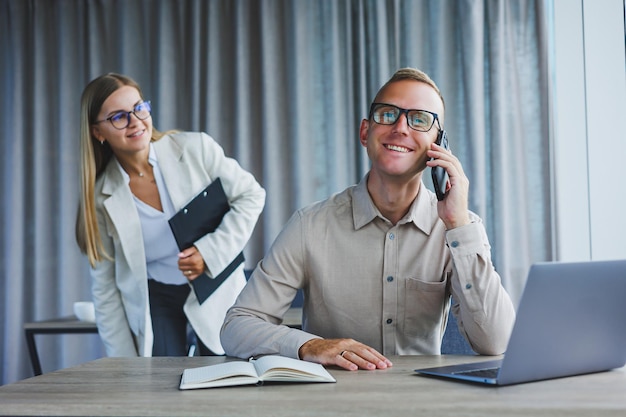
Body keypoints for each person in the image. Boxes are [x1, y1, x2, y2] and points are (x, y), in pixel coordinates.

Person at [220, 67, 515, 371]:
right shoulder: (310, 225)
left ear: (438, 146)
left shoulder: (459, 228)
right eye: (388, 114)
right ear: (365, 132)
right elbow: (236, 327)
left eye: (419, 119)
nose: (401, 127)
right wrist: (309, 345)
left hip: (422, 402)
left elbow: (497, 342)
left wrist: (458, 224)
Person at [75, 73, 265, 357]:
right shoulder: (101, 198)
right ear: (98, 132)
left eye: (139, 107)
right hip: (157, 299)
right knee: (161, 384)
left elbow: (251, 195)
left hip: (215, 289)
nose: (136, 121)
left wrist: (208, 252)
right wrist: (125, 365)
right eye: (118, 117)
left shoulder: (195, 148)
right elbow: (105, 289)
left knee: (226, 378)